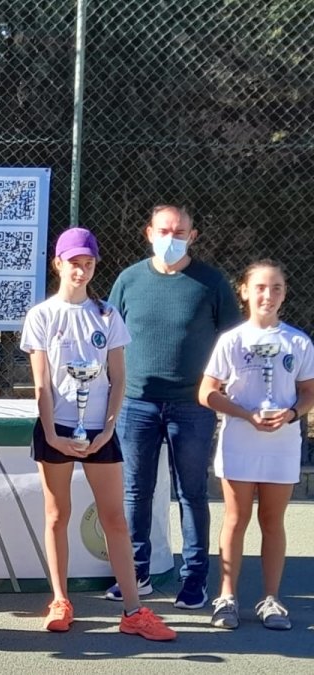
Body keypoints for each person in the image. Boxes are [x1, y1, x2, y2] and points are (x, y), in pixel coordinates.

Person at [22, 228, 175, 641]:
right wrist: (52, 433)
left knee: (115, 520)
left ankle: (133, 610)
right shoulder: (41, 315)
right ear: (58, 263)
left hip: (99, 433)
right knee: (57, 515)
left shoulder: (107, 315)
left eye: (88, 263)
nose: (81, 270)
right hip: (55, 429)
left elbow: (119, 377)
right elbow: (40, 384)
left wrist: (107, 429)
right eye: (74, 262)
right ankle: (60, 600)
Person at [107, 205, 240, 609]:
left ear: (192, 235)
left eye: (179, 231)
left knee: (192, 494)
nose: (171, 237)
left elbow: (231, 343)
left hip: (193, 406)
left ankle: (194, 580)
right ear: (149, 232)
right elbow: (110, 337)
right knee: (135, 492)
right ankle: (136, 573)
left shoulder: (211, 283)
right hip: (136, 404)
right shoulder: (128, 280)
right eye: (164, 230)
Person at [199, 260, 314, 631]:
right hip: (239, 442)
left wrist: (292, 414)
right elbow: (206, 393)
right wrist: (245, 414)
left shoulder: (297, 341)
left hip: (281, 445)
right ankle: (227, 598)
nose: (268, 295)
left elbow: (310, 392)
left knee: (272, 520)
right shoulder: (231, 340)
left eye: (276, 287)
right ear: (245, 292)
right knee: (236, 519)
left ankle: (271, 599)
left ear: (284, 293)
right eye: (261, 287)